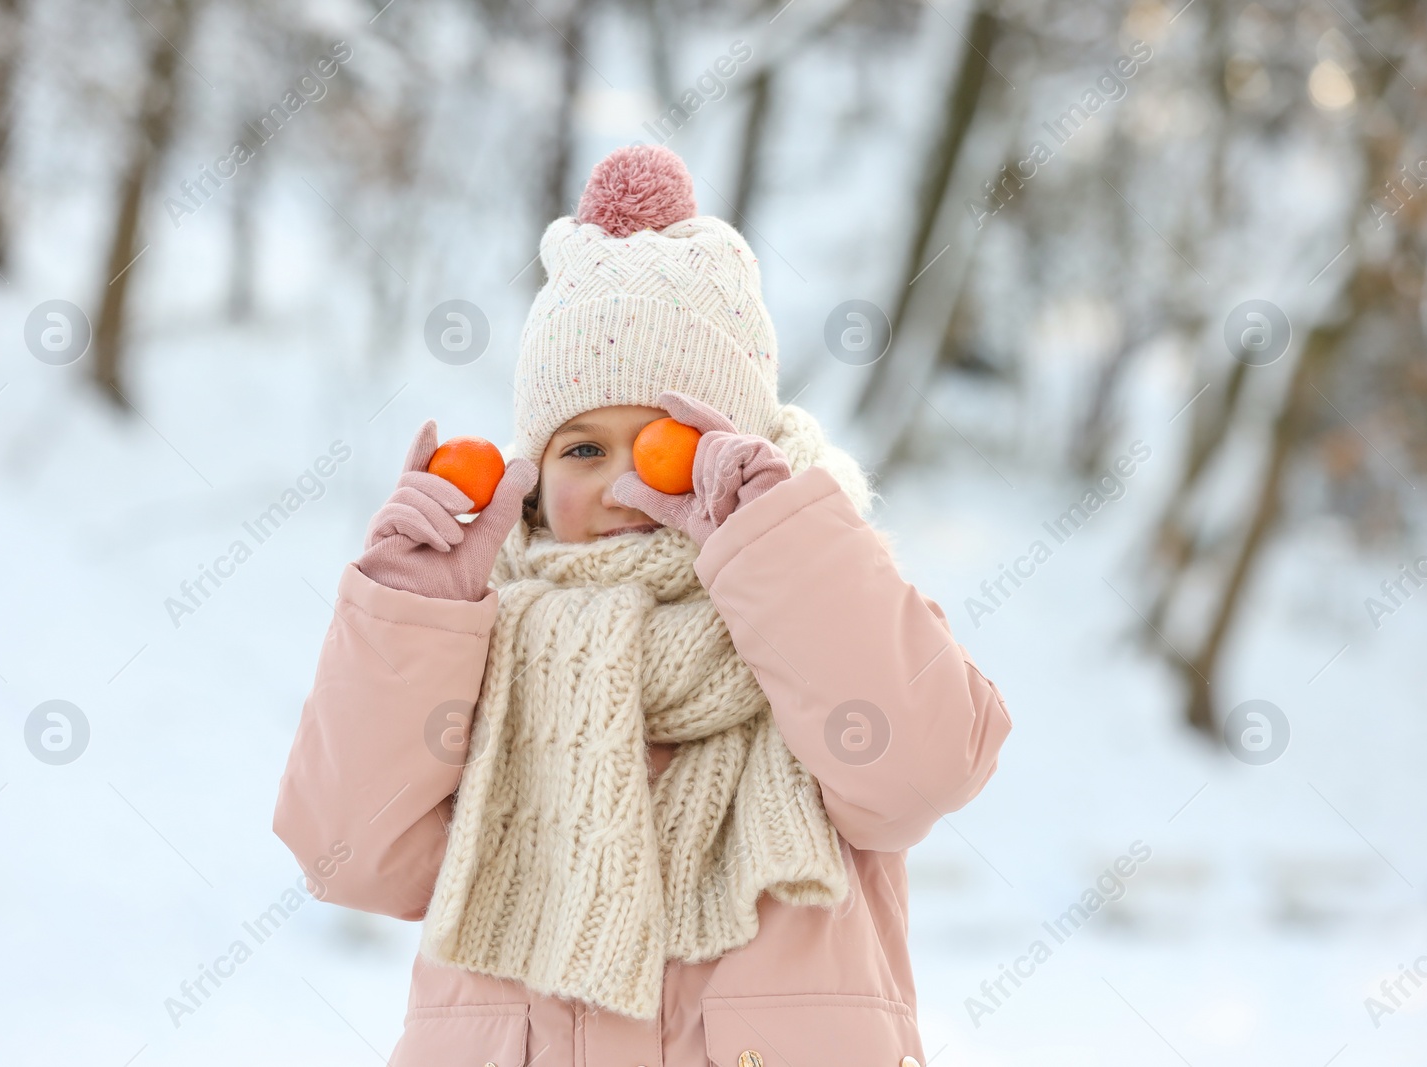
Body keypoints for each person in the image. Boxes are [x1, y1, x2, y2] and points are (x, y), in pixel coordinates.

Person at [273, 143, 1013, 1066]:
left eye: (661, 440)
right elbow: (348, 855)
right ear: (534, 481)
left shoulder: (819, 606)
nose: (624, 481)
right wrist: (411, 610)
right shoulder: (478, 643)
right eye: (582, 449)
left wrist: (774, 541)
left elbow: (925, 768)